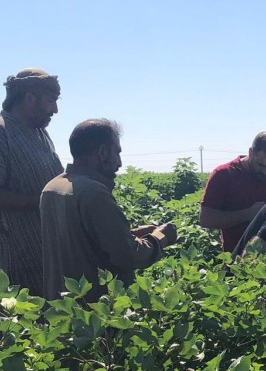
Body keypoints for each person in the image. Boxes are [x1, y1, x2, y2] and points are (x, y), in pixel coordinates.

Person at [40, 119, 178, 302]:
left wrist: (131, 234)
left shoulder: (52, 187)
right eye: (117, 152)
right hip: (98, 310)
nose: (119, 163)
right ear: (103, 152)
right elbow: (128, 256)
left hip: (62, 304)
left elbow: (82, 241)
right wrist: (161, 237)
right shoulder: (93, 192)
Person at [0, 68, 64, 296]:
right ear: (29, 98)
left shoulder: (40, 133)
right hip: (17, 255)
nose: (55, 110)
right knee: (19, 323)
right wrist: (41, 202)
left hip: (47, 250)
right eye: (51, 101)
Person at [199, 131, 266, 254]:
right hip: (236, 262)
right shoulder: (224, 174)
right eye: (261, 165)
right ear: (251, 152)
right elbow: (206, 219)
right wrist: (247, 214)